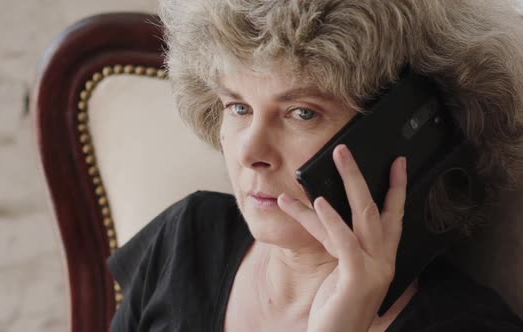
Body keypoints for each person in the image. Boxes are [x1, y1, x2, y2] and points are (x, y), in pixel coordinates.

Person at [108, 0, 523, 331]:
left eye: (301, 113)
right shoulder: (186, 239)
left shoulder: (468, 324)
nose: (250, 152)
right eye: (238, 107)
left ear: (408, 127)